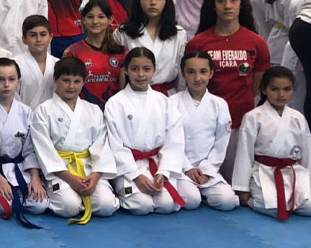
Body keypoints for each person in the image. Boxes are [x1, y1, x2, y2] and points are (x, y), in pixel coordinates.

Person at [30, 57, 119, 224]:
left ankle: (86, 195)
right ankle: (74, 197)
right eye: (66, 80)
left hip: (88, 167)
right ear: (55, 79)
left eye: (77, 81)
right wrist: (70, 178)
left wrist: (95, 175)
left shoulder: (93, 110)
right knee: (68, 207)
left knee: (106, 206)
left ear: (84, 82)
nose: (71, 86)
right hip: (60, 169)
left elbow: (101, 145)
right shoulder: (43, 110)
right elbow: (43, 148)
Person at [106, 47, 193, 215]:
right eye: (134, 69)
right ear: (126, 70)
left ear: (154, 70)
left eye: (146, 69)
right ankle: (122, 189)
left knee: (167, 205)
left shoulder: (164, 101)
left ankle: (158, 180)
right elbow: (114, 145)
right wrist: (135, 175)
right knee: (141, 206)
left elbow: (174, 140)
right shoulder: (115, 103)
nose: (140, 74)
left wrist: (164, 172)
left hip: (157, 162)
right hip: (129, 166)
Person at [186, 0, 269, 140]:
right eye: (221, 1)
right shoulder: (197, 43)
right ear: (213, 6)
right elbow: (190, 83)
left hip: (243, 122)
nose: (228, 6)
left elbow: (256, 86)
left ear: (241, 4)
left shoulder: (257, 43)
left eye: (233, 0)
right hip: (205, 122)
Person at [232, 67, 311, 220]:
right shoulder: (253, 117)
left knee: (309, 207)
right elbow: (244, 153)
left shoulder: (298, 118)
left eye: (287, 89)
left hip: (293, 171)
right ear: (264, 90)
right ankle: (253, 200)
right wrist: (242, 188)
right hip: (264, 172)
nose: (281, 94)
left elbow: (307, 152)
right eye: (274, 89)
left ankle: (291, 201)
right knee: (271, 208)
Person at [170, 52, 239, 211]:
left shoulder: (219, 104)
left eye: (203, 72)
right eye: (191, 72)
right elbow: (170, 141)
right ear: (183, 73)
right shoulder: (172, 102)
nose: (197, 78)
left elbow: (221, 142)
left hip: (207, 168)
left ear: (211, 73)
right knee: (191, 201)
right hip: (181, 168)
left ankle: (206, 192)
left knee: (227, 202)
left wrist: (208, 170)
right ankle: (196, 192)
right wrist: (187, 168)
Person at [0, 58, 48, 227]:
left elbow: (30, 150)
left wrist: (35, 178)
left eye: (11, 79)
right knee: (1, 206)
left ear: (18, 82)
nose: (6, 84)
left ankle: (18, 196)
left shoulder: (26, 111)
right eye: (0, 79)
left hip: (20, 168)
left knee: (40, 204)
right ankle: (9, 196)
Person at [114, 0, 186, 94]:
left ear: (167, 1)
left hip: (169, 96)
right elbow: (116, 70)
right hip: (132, 94)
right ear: (138, 0)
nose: (153, 2)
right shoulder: (123, 32)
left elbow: (181, 73)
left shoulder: (179, 34)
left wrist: (180, 97)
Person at [63, 0, 125, 107]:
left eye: (101, 17)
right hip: (83, 111)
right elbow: (65, 86)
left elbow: (124, 90)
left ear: (110, 19)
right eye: (90, 17)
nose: (95, 21)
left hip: (113, 111)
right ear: (83, 20)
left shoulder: (121, 52)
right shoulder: (72, 52)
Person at [15, 15, 58, 109]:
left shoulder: (58, 64)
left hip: (52, 116)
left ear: (50, 37)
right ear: (24, 39)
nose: (38, 39)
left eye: (43, 34)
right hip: (23, 115)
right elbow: (12, 97)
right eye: (33, 35)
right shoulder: (15, 64)